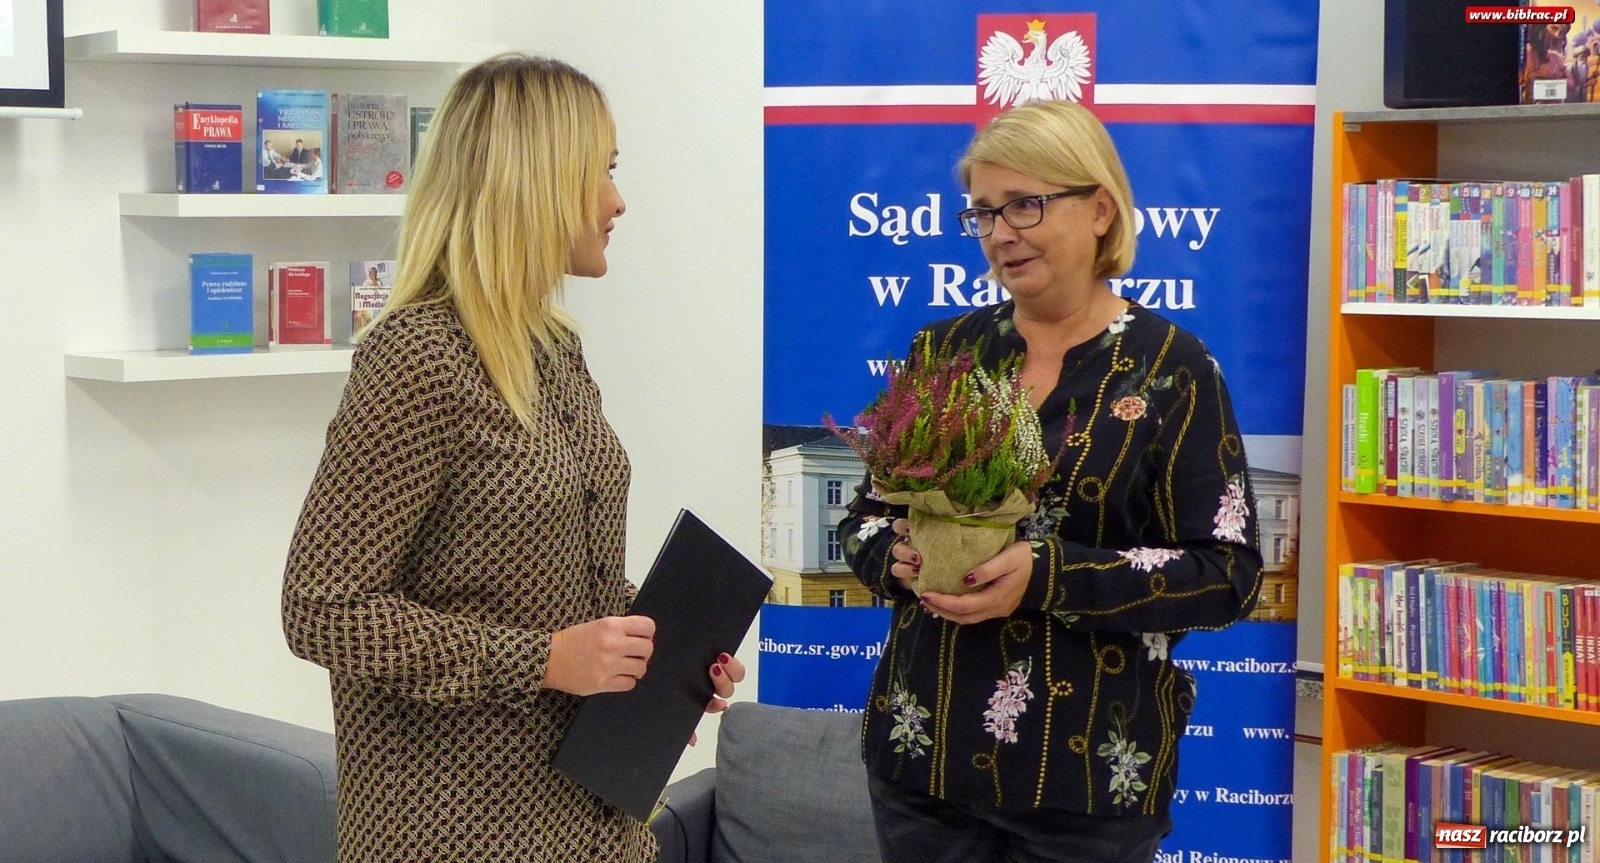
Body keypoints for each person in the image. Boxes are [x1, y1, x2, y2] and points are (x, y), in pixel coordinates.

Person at [281, 53, 743, 863]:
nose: (618, 201)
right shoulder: (418, 356)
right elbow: (322, 607)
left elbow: (555, 584)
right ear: (539, 180)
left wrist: (658, 651)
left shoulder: (555, 348)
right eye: (603, 170)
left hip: (594, 822)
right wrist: (544, 661)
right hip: (454, 833)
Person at [839, 99, 1263, 863]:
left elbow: (1226, 574)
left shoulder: (1175, 370)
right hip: (922, 763)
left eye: (1025, 204)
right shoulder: (943, 351)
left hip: (1087, 786)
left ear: (1100, 209)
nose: (1001, 232)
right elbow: (863, 518)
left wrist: (1048, 574)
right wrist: (894, 558)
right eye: (984, 212)